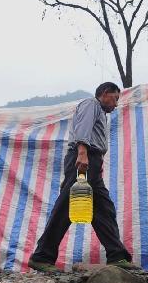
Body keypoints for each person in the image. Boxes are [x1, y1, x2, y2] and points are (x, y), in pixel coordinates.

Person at [27, 82, 140, 272]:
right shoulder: (91, 104)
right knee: (65, 208)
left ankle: (117, 256)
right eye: (115, 98)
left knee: (104, 210)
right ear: (105, 93)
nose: (116, 103)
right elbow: (83, 129)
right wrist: (82, 153)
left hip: (91, 163)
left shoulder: (100, 112)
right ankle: (42, 256)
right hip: (84, 157)